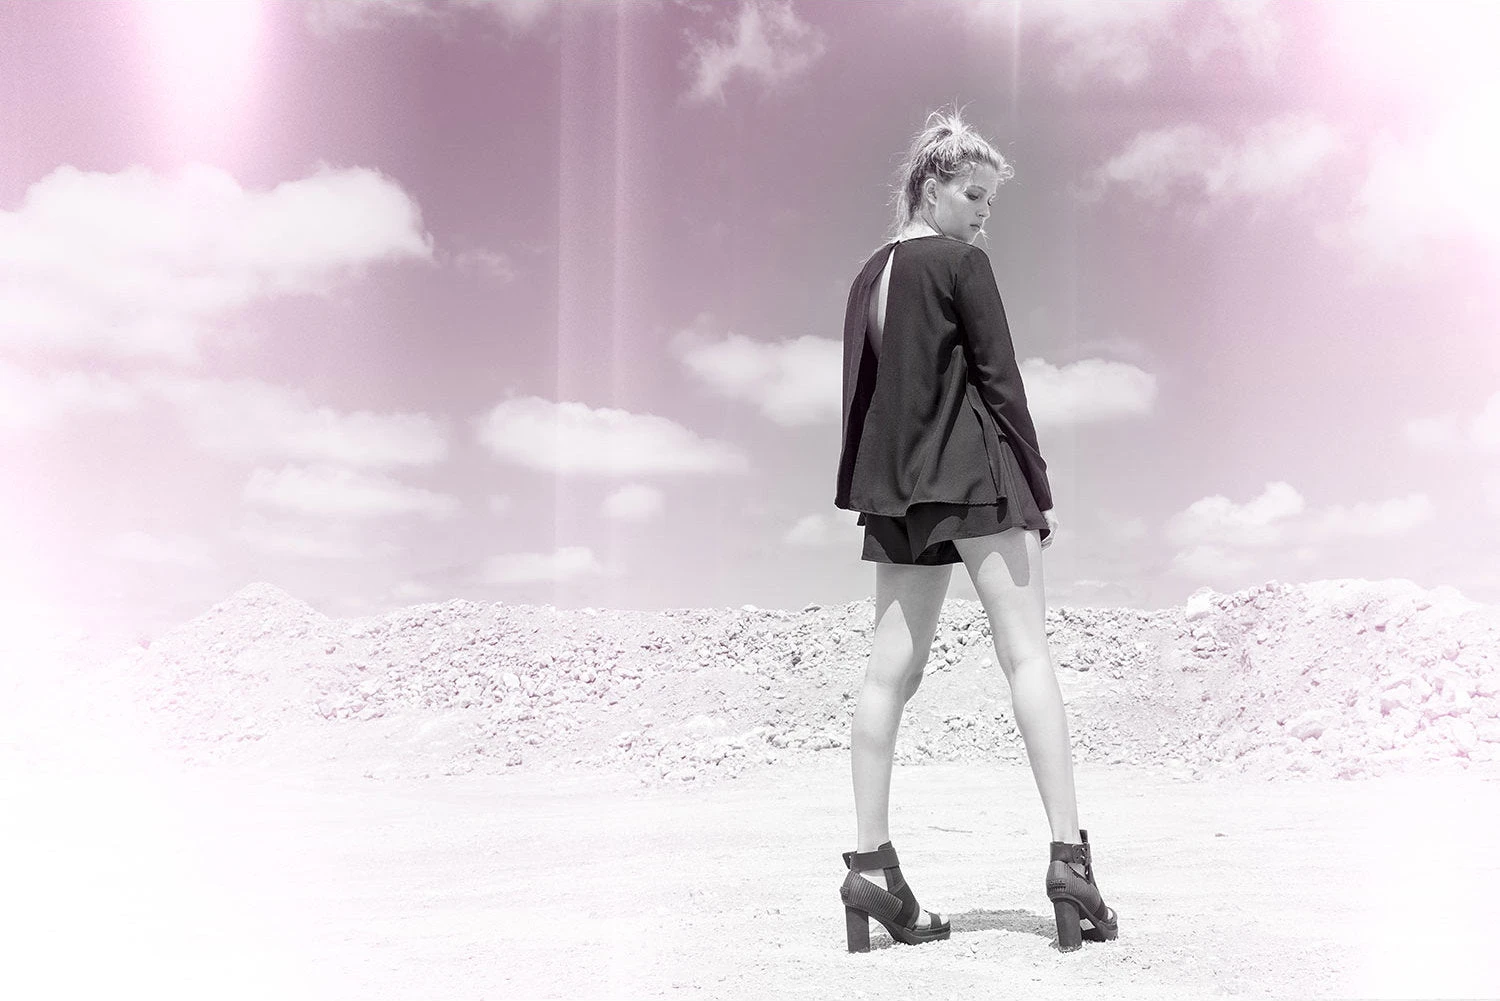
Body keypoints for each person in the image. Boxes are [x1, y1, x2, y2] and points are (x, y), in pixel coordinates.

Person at [833, 107, 1118, 954]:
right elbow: (1001, 378)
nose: (984, 215)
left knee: (888, 673)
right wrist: (1038, 485)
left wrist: (876, 490)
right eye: (974, 195)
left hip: (899, 491)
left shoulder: (868, 278)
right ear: (931, 186)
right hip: (977, 477)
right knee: (1027, 655)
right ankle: (1070, 861)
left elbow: (862, 397)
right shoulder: (962, 263)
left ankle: (872, 871)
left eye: (990, 201)